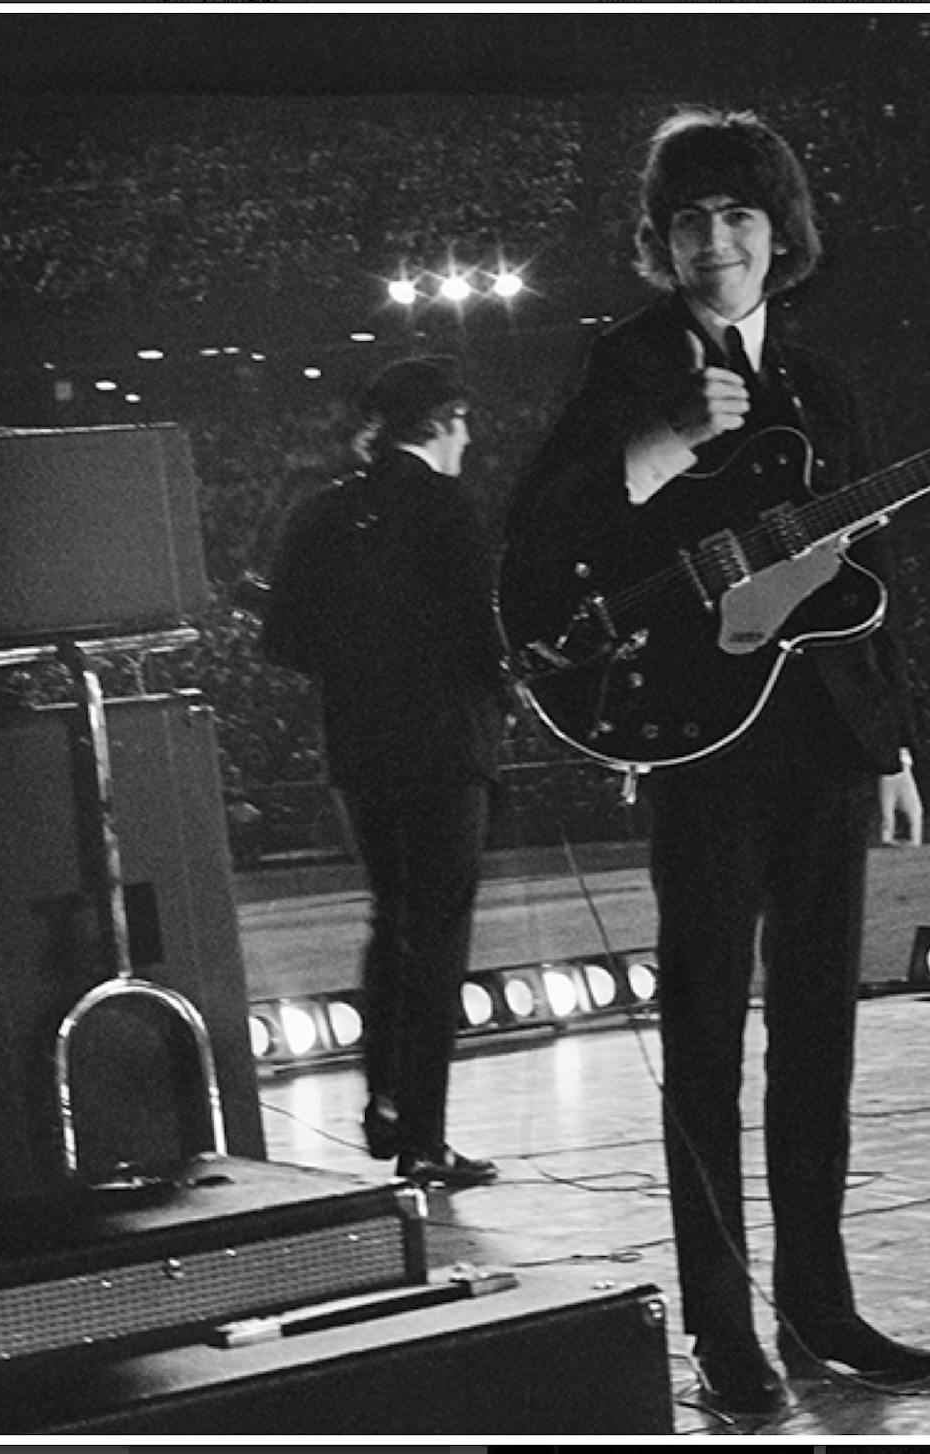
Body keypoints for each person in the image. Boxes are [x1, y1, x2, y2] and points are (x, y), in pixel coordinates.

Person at [503, 109, 930, 1420]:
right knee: (702, 1040)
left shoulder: (825, 382)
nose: (715, 243)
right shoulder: (627, 363)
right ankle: (722, 1329)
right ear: (661, 240)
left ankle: (820, 1304)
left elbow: (874, 575)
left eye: (739, 218)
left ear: (778, 233)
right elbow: (540, 534)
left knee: (820, 1034)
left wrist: (894, 742)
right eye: (689, 221)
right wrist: (662, 442)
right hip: (701, 745)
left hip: (820, 740)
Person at [261, 355, 509, 1187]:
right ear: (441, 421)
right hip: (445, 748)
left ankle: (386, 1097)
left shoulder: (322, 513)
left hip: (361, 749)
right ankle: (424, 1136)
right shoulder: (448, 509)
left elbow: (286, 642)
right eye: (464, 422)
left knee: (390, 920)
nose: (469, 439)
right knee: (439, 937)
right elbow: (490, 633)